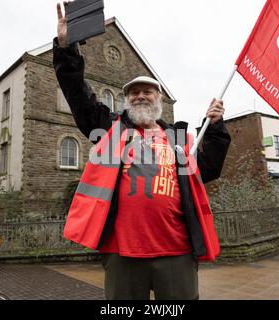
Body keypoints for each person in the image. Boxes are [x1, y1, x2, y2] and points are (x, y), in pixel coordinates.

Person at [54, 3, 230, 300]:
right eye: (133, 92)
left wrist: (215, 127)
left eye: (147, 91)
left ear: (158, 99)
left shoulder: (180, 139)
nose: (139, 96)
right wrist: (66, 47)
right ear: (126, 101)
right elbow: (78, 96)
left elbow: (209, 168)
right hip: (123, 252)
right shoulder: (110, 128)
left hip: (176, 252)